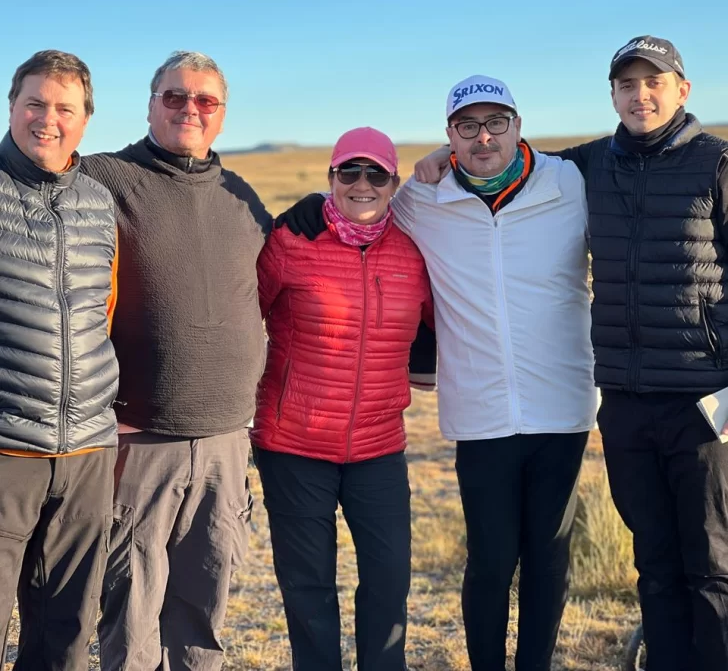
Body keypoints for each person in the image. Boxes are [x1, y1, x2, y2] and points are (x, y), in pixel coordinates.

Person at [414, 36, 728, 671]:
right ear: (611, 94)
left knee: (713, 566)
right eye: (627, 85)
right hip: (622, 402)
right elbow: (500, 162)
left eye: (655, 82)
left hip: (703, 399)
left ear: (682, 90)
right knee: (656, 563)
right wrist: (435, 162)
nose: (641, 95)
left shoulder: (712, 164)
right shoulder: (591, 164)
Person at [279, 78, 597, 671]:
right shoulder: (421, 199)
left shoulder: (569, 183)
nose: (484, 137)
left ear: (519, 124)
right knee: (491, 559)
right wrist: (302, 211)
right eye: (467, 126)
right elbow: (356, 201)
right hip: (479, 413)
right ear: (449, 136)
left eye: (496, 122)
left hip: (563, 405)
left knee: (549, 557)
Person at [82, 51, 273, 671]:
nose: (190, 109)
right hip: (138, 441)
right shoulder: (104, 178)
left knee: (200, 615)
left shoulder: (240, 197)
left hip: (225, 442)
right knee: (131, 615)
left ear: (222, 114)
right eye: (174, 97)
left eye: (205, 101)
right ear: (150, 104)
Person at [253, 127, 434, 671]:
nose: (362, 184)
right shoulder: (290, 242)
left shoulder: (413, 251)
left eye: (376, 173)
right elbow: (238, 321)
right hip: (293, 444)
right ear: (330, 177)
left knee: (388, 580)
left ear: (393, 183)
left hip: (379, 446)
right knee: (308, 589)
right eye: (348, 171)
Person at [0, 50, 118, 670]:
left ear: (85, 120)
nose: (48, 119)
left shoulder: (100, 204)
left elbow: (107, 311)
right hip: (5, 450)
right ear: (12, 106)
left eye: (64, 108)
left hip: (87, 455)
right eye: (35, 103)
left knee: (67, 636)